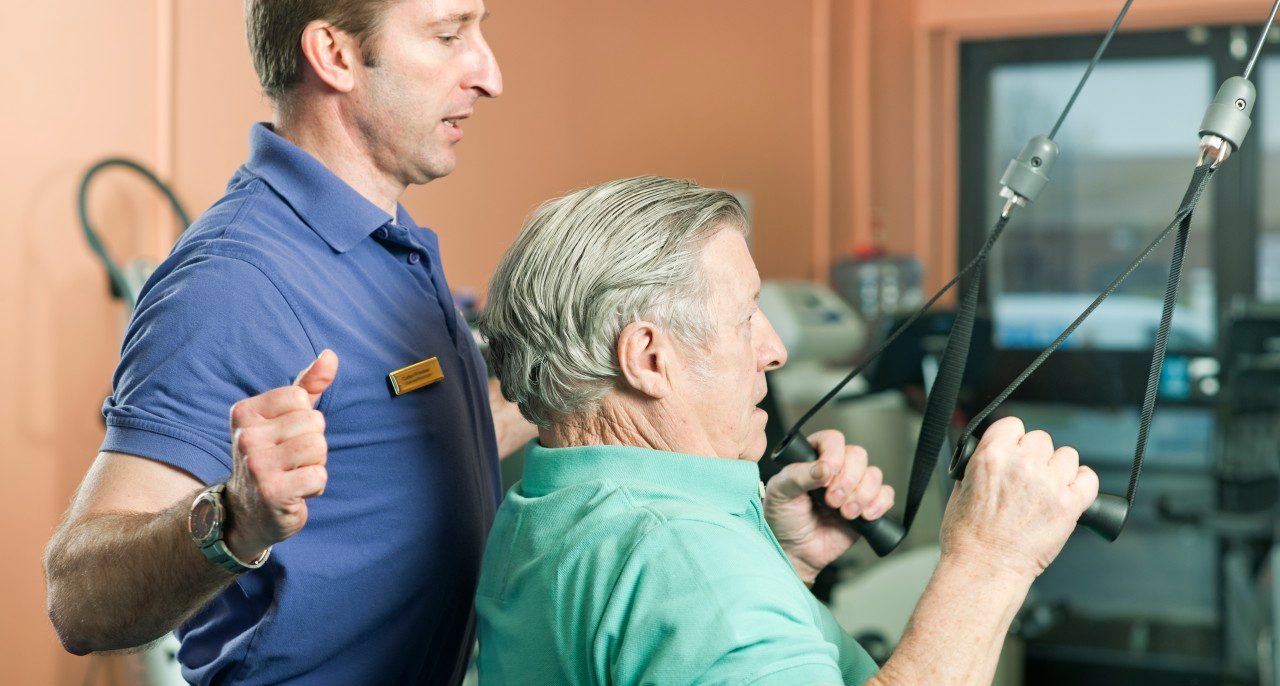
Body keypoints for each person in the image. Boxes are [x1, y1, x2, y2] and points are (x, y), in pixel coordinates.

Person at [44, 1, 534, 683]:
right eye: (449, 35)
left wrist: (566, 391)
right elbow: (76, 600)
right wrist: (233, 516)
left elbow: (401, 452)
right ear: (334, 56)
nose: (489, 74)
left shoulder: (386, 240)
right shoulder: (233, 280)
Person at [476, 176, 1101, 685]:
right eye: (747, 316)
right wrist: (991, 560)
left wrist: (780, 566)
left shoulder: (543, 503)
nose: (773, 351)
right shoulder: (688, 566)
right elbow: (689, 594)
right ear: (649, 359)